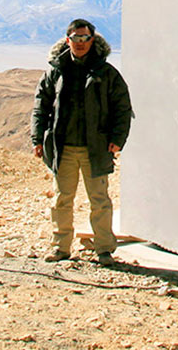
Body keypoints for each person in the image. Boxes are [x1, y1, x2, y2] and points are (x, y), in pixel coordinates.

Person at [30, 18, 133, 265]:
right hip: (62, 147)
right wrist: (37, 138)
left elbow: (123, 107)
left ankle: (104, 249)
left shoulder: (106, 73)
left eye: (85, 38)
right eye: (75, 38)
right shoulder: (55, 71)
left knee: (99, 200)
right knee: (61, 199)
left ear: (92, 41)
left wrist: (118, 139)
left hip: (95, 148)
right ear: (68, 41)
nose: (80, 43)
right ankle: (60, 247)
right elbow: (40, 106)